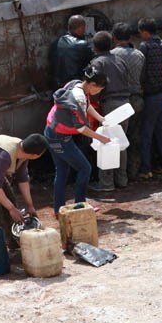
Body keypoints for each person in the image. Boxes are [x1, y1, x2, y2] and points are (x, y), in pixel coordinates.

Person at [44, 68, 111, 213]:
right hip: (59, 136)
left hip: (52, 129)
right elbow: (81, 128)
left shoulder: (75, 84)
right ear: (93, 84)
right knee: (85, 168)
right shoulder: (79, 97)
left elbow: (86, 106)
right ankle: (80, 206)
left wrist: (101, 119)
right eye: (100, 89)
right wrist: (102, 138)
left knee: (62, 170)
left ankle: (59, 210)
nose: (99, 92)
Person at [88, 31, 133, 191]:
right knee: (120, 142)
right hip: (125, 104)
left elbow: (94, 87)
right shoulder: (120, 60)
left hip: (110, 105)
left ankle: (106, 183)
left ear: (94, 47)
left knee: (106, 143)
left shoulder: (97, 63)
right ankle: (122, 179)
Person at [136, 18, 162, 177]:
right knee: (161, 130)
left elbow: (142, 71)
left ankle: (146, 169)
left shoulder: (144, 47)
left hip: (151, 95)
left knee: (146, 132)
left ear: (145, 32)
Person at [110, 22, 146, 180]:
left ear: (114, 38)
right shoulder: (139, 55)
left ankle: (117, 176)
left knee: (116, 139)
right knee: (135, 136)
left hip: (119, 101)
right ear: (130, 37)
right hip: (137, 100)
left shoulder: (111, 55)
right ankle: (133, 172)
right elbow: (142, 78)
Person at [50, 14, 92, 88]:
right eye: (84, 28)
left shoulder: (55, 43)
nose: (85, 31)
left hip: (56, 86)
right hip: (74, 86)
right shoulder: (82, 45)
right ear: (80, 29)